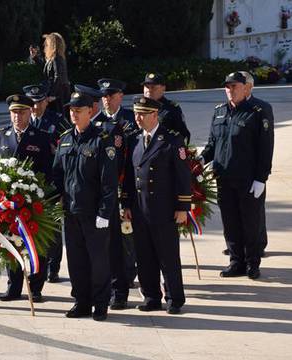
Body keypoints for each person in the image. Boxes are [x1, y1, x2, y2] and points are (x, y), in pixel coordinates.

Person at [199, 72, 274, 280]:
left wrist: (262, 177)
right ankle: (236, 261)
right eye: (227, 87)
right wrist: (199, 160)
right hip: (224, 177)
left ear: (247, 88)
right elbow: (212, 144)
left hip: (249, 180)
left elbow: (266, 147)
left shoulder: (259, 110)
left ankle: (252, 263)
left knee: (251, 223)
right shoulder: (220, 111)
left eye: (234, 86)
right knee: (230, 222)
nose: (230, 90)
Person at [122, 96, 191, 314]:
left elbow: (182, 176)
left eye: (142, 114)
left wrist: (183, 207)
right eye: (135, 113)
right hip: (140, 208)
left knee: (167, 255)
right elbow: (130, 176)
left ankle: (174, 298)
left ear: (154, 115)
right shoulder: (134, 139)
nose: (137, 118)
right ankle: (151, 296)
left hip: (164, 209)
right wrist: (126, 204)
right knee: (144, 255)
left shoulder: (171, 139)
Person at [52, 92, 117, 321]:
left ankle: (100, 304)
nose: (74, 114)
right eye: (71, 110)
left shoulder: (102, 139)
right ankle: (81, 302)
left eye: (79, 110)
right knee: (76, 261)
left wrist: (105, 213)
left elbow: (109, 181)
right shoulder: (66, 139)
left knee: (98, 261)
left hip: (94, 213)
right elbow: (57, 176)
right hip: (71, 212)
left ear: (90, 111)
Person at [0, 94, 55, 302]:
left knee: (35, 244)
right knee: (11, 243)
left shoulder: (41, 137)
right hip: (7, 203)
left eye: (22, 112)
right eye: (14, 112)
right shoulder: (0, 136)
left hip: (33, 202)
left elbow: (49, 168)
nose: (17, 116)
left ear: (30, 112)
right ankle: (13, 287)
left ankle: (35, 287)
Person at [95, 78, 134, 310]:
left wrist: (128, 195)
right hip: (105, 195)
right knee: (111, 245)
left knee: (130, 241)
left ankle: (128, 278)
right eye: (104, 96)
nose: (107, 99)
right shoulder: (96, 123)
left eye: (111, 95)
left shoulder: (132, 119)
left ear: (120, 96)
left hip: (128, 189)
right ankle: (116, 286)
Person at [23, 83, 66, 282]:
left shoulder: (57, 121)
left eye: (39, 102)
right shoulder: (24, 121)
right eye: (31, 103)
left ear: (46, 101)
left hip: (49, 182)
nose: (35, 107)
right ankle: (35, 264)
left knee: (53, 228)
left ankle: (53, 266)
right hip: (27, 185)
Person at [142, 72, 190, 144]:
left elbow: (183, 134)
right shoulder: (140, 107)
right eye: (147, 87)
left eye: (153, 87)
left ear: (163, 88)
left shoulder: (172, 108)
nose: (149, 90)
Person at [42, 33, 70, 114]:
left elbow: (58, 76)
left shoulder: (57, 58)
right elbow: (46, 72)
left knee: (58, 116)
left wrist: (52, 94)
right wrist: (35, 57)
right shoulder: (53, 58)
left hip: (58, 94)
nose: (45, 46)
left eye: (47, 44)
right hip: (56, 92)